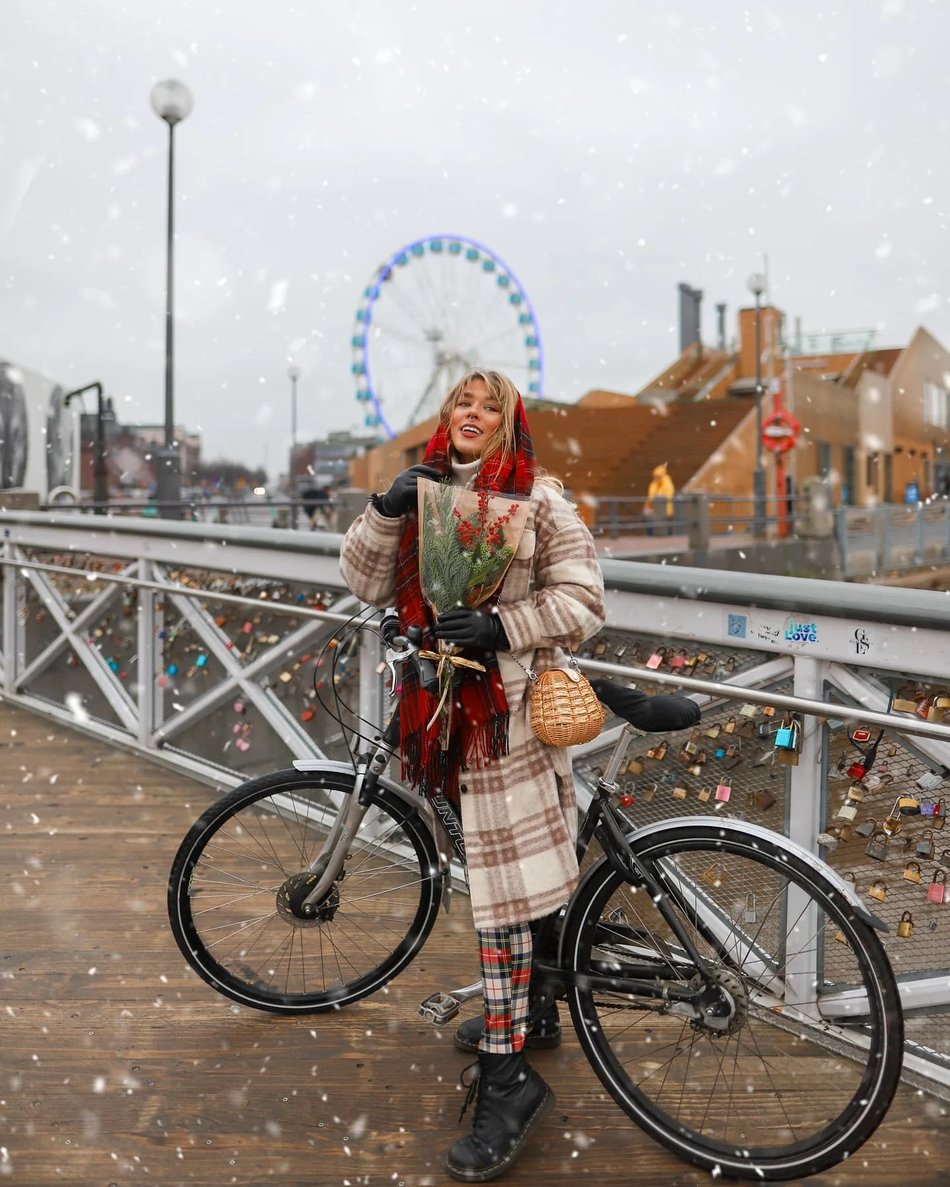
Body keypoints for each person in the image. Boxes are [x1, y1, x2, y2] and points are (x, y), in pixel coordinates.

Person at [339, 368, 606, 1182]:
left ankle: (506, 1078)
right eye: (464, 402)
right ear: (447, 415)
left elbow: (586, 601)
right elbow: (360, 580)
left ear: (510, 422)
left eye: (491, 406)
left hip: (510, 723)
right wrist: (387, 509)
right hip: (441, 718)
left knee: (498, 897)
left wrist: (500, 623)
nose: (474, 415)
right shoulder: (424, 495)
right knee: (513, 879)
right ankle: (534, 1009)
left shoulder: (541, 499)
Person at [643, 461, 675, 536]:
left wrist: (657, 496)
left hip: (665, 509)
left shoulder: (667, 483)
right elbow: (650, 495)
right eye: (655, 476)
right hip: (654, 508)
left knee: (665, 526)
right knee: (650, 521)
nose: (656, 478)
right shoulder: (653, 484)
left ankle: (663, 537)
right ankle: (651, 536)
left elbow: (668, 495)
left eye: (657, 476)